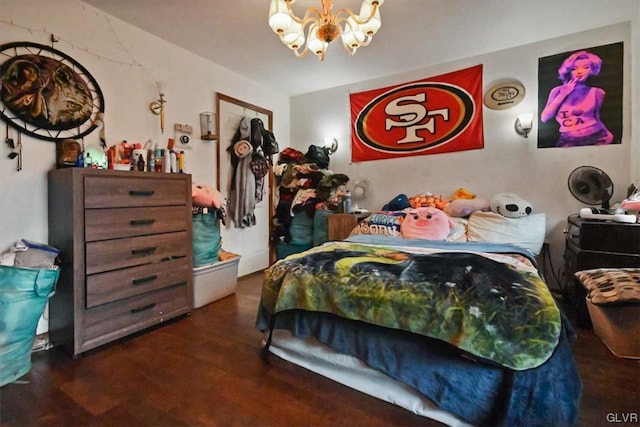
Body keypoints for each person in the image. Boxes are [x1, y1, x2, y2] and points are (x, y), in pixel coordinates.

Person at [540, 50, 613, 147]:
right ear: (568, 71)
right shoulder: (557, 91)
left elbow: (596, 117)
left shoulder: (597, 92)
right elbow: (544, 118)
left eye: (586, 67)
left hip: (596, 136)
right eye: (574, 69)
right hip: (567, 139)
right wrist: (563, 94)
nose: (579, 72)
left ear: (592, 70)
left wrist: (608, 134)